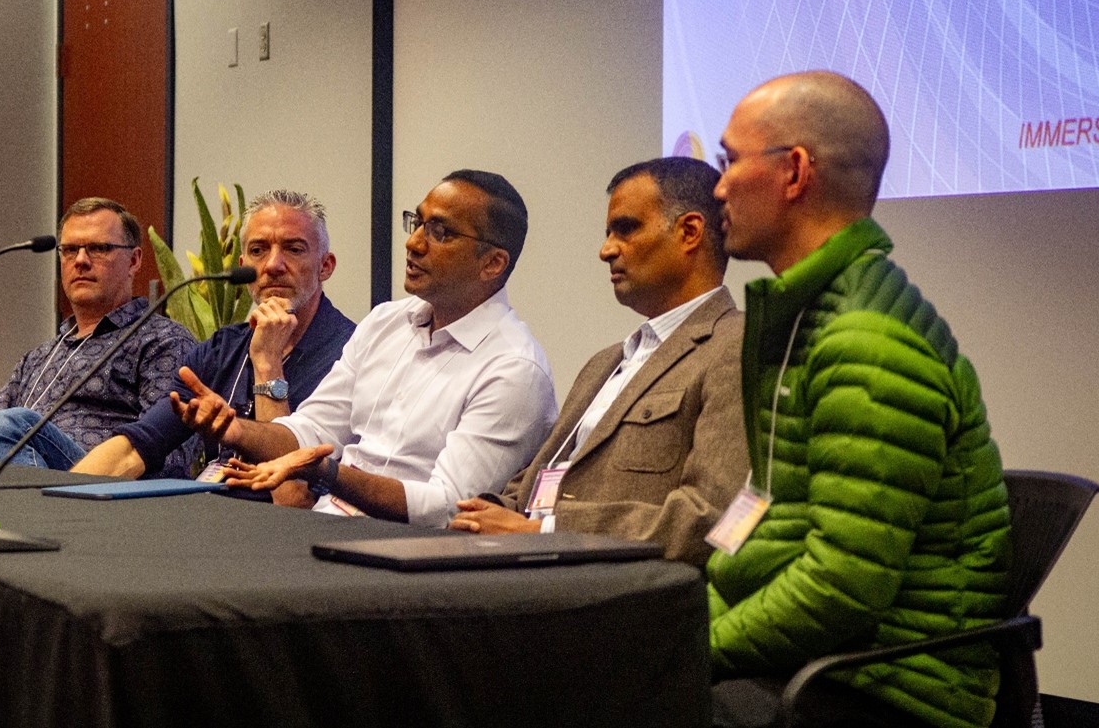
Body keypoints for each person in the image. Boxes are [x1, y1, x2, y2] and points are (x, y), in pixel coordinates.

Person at [706, 71, 1011, 728]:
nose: (718, 187)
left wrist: (688, 651)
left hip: (886, 688)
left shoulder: (865, 342)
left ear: (793, 172)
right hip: (826, 664)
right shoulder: (811, 314)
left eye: (729, 162)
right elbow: (771, 520)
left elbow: (841, 587)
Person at [181, 170, 558, 527]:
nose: (414, 243)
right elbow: (313, 429)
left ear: (492, 263)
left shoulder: (514, 369)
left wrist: (327, 473)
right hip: (324, 528)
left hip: (407, 553)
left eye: (440, 232)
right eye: (418, 223)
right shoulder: (386, 322)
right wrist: (237, 431)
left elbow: (447, 508)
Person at [448, 157, 748, 564]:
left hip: (613, 586)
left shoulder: (735, 346)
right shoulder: (604, 364)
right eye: (608, 233)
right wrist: (482, 514)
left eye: (626, 229)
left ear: (689, 232)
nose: (606, 250)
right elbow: (534, 488)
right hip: (532, 567)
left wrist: (544, 533)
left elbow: (714, 518)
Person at [71, 190, 355, 484]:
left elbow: (290, 496)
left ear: (325, 266)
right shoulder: (222, 349)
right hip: (206, 503)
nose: (273, 265)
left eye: (294, 249)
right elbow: (136, 447)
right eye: (258, 251)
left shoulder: (350, 353)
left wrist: (268, 363)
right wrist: (58, 499)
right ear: (243, 265)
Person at [0, 198, 195, 465]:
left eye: (98, 248)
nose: (81, 260)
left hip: (105, 483)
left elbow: (171, 454)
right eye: (70, 250)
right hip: (27, 477)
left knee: (8, 425)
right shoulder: (39, 357)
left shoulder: (163, 341)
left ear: (134, 261)